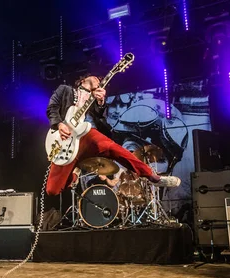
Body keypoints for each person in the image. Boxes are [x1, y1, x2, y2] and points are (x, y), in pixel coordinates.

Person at [45, 74, 181, 196]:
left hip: (85, 135)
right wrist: (59, 124)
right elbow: (52, 107)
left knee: (113, 148)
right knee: (52, 190)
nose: (98, 80)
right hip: (64, 140)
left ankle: (152, 176)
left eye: (100, 81)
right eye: (95, 78)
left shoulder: (94, 97)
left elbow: (100, 117)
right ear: (83, 79)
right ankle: (75, 173)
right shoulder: (65, 90)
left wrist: (100, 102)